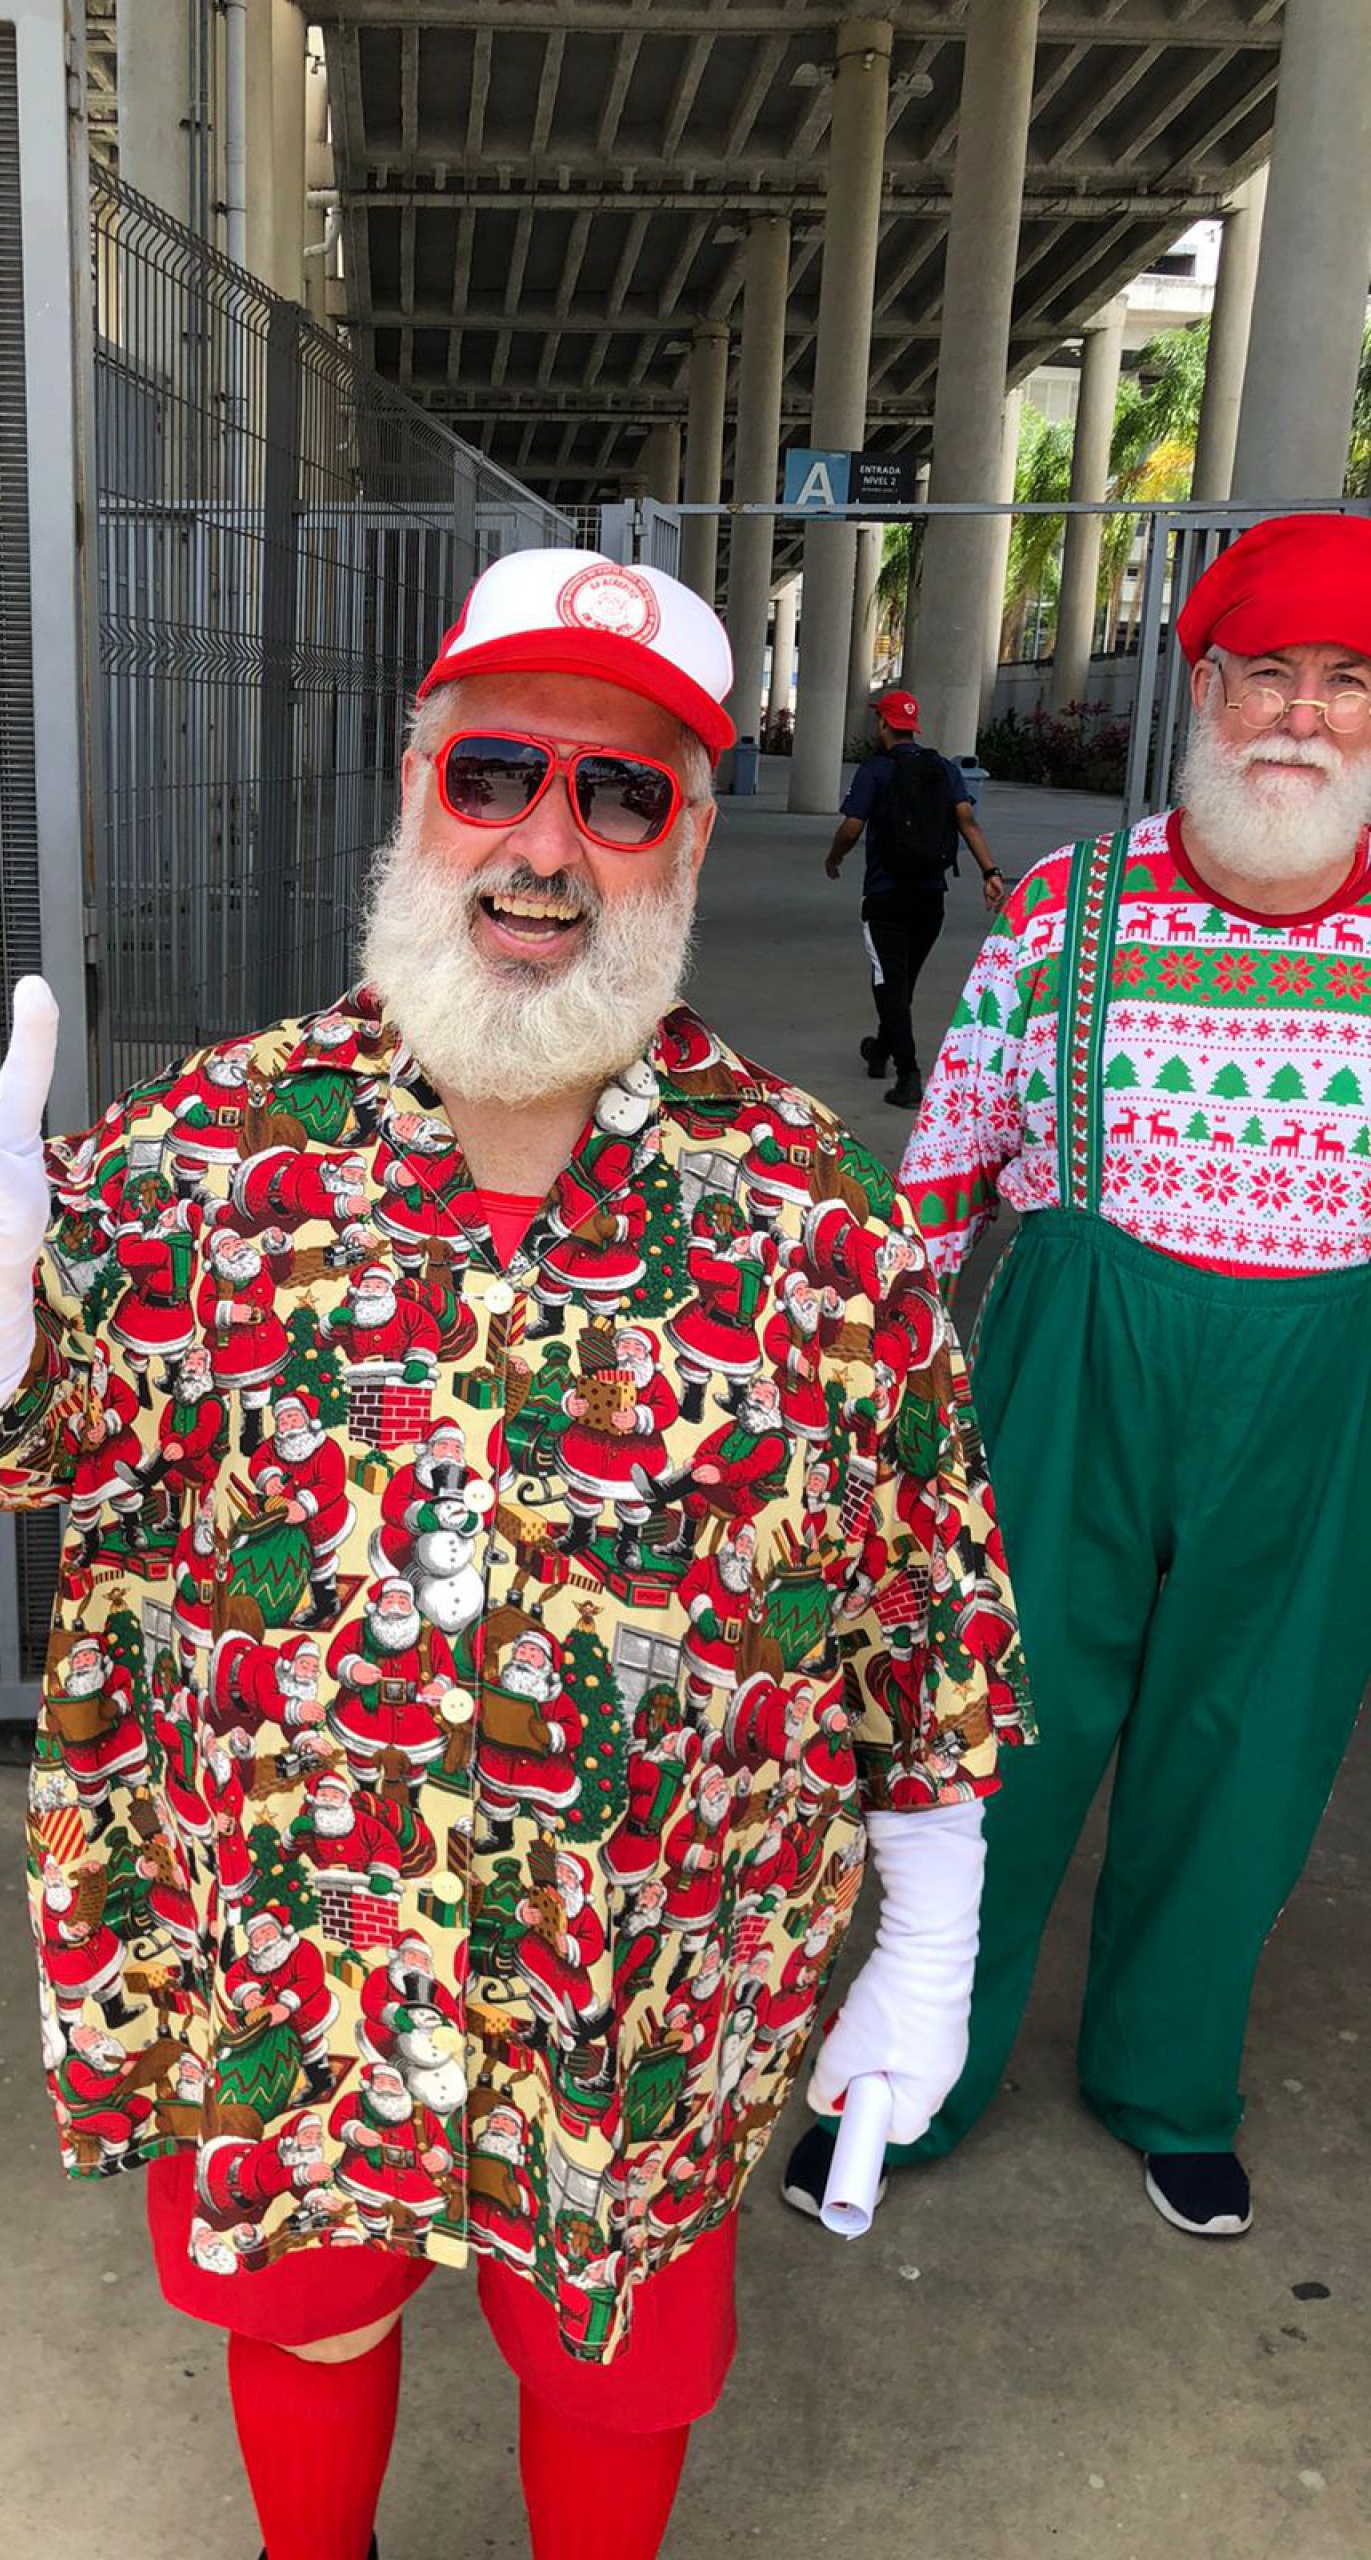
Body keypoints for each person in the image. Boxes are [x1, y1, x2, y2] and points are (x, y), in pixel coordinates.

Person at [0, 549, 1025, 2559]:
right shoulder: (209, 1152)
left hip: (653, 1968)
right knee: (307, 2304)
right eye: (497, 772)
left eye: (621, 793)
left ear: (689, 834)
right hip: (297, 1931)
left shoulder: (813, 1213)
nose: (548, 842)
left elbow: (926, 1609)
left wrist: (935, 1937)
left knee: (616, 2352)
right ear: (415, 779)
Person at [783, 511, 1371, 2247]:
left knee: (1248, 1747)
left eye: (1348, 683)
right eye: (1269, 670)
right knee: (995, 1739)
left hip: (1318, 1403)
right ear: (1205, 684)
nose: (1302, 714)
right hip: (1070, 1371)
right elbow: (945, 1166)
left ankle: (1170, 2079)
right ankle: (917, 2072)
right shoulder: (1068, 907)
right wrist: (867, 1399)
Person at [822, 688, 1005, 1107]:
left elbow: (851, 827)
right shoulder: (941, 768)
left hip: (887, 895)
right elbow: (967, 821)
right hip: (930, 896)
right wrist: (990, 871)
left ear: (884, 724)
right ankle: (881, 1051)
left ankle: (908, 1074)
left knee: (889, 984)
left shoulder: (874, 771)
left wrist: (834, 857)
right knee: (902, 983)